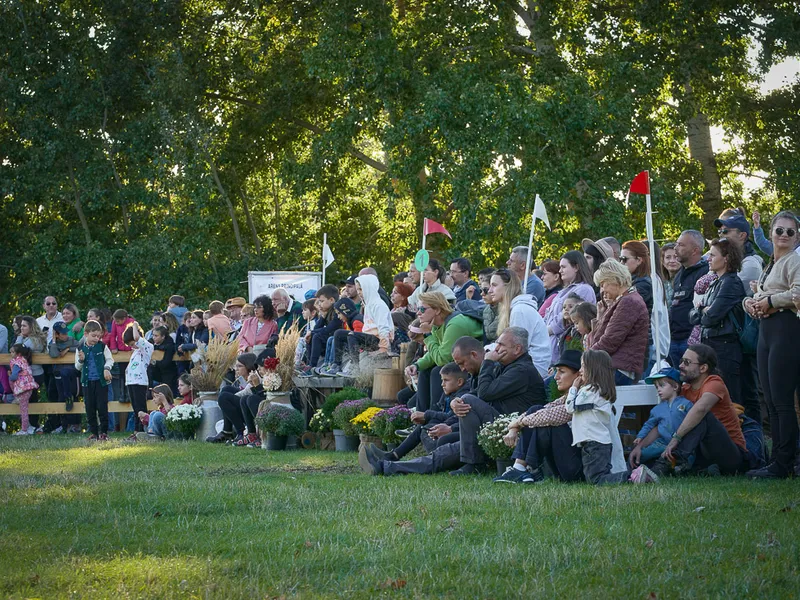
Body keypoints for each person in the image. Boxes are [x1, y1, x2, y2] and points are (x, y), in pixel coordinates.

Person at [744, 211, 800, 478]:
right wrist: (752, 303)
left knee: (783, 401)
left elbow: (798, 294)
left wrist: (770, 302)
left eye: (790, 231)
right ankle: (778, 459)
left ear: (797, 236)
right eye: (780, 230)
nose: (784, 236)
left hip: (786, 329)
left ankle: (784, 461)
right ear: (771, 234)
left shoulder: (794, 260)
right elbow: (762, 293)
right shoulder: (771, 262)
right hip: (766, 330)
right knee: (770, 399)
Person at [450, 327, 545, 475]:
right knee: (445, 441)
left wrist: (487, 363)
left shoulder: (522, 370)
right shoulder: (507, 366)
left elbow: (484, 393)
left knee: (467, 400)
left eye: (501, 345)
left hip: (515, 429)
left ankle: (474, 464)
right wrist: (455, 401)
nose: (496, 349)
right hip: (501, 424)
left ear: (517, 349)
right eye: (497, 344)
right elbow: (479, 392)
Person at [649, 345, 750, 477]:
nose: (680, 366)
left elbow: (700, 409)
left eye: (687, 362)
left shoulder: (714, 382)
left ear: (703, 368)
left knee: (702, 416)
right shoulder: (684, 391)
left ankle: (672, 462)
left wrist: (676, 439)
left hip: (732, 455)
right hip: (703, 452)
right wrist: (640, 445)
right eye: (681, 361)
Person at [359, 361, 471, 474]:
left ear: (460, 382)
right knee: (426, 428)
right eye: (442, 380)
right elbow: (445, 416)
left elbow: (456, 419)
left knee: (437, 452)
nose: (442, 384)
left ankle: (385, 466)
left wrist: (436, 421)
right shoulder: (448, 394)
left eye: (446, 380)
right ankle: (391, 458)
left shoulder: (464, 397)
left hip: (456, 440)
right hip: (453, 436)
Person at [494, 349, 585, 483]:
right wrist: (514, 426)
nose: (555, 377)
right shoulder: (568, 397)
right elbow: (543, 410)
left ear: (578, 375)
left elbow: (555, 414)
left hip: (579, 470)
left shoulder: (582, 396)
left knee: (547, 421)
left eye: (562, 371)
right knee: (537, 410)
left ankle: (525, 469)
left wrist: (518, 423)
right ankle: (525, 469)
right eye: (556, 371)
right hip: (566, 465)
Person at [689, 238, 746, 405]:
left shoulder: (731, 283)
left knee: (730, 401)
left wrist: (703, 310)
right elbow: (693, 316)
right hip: (711, 346)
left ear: (726, 258)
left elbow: (710, 318)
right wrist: (702, 309)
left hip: (726, 348)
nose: (708, 258)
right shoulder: (714, 282)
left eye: (713, 255)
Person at [404, 291, 483, 412]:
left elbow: (442, 359)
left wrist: (427, 335)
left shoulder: (455, 324)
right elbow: (435, 352)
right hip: (458, 361)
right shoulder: (437, 325)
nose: (418, 313)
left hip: (473, 364)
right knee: (425, 370)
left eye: (422, 309)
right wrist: (417, 365)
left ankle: (434, 417)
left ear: (437, 310)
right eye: (417, 308)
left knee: (437, 371)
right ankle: (421, 417)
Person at [566, 349, 632, 484]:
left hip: (593, 442)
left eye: (583, 366)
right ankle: (629, 476)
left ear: (593, 368)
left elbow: (570, 407)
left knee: (596, 479)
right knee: (596, 476)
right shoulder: (600, 391)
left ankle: (631, 477)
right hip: (597, 442)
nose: (580, 370)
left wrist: (573, 388)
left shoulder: (589, 391)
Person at [587, 259, 649, 385]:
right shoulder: (626, 299)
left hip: (619, 369)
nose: (602, 290)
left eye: (603, 284)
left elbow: (610, 340)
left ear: (614, 279)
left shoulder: (629, 302)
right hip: (616, 367)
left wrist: (586, 359)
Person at [489, 269, 550, 377]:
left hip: (534, 370)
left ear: (508, 286)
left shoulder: (519, 311)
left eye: (494, 285)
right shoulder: (515, 309)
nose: (489, 290)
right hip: (524, 367)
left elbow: (514, 349)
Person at [628, 366, 693, 467]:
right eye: (656, 387)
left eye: (662, 385)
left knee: (689, 459)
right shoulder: (657, 409)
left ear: (675, 387)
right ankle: (641, 468)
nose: (658, 390)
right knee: (642, 455)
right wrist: (640, 436)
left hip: (682, 443)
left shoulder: (686, 404)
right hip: (661, 443)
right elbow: (649, 424)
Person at [545, 251, 596, 364]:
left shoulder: (584, 289)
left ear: (576, 267)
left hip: (566, 349)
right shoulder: (562, 291)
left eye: (563, 267)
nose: (560, 270)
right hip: (551, 348)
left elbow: (571, 316)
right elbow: (549, 315)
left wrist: (548, 330)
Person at [669, 230, 709, 367]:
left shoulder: (705, 272)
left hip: (692, 340)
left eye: (681, 245)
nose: (675, 248)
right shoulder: (680, 274)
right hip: (674, 339)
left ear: (695, 250)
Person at [76, 320, 114, 441]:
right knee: (89, 407)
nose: (96, 338)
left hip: (101, 381)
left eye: (98, 336)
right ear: (86, 334)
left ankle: (103, 432)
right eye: (93, 336)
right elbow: (77, 367)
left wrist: (107, 369)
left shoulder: (102, 346)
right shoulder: (80, 348)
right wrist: (81, 360)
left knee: (102, 406)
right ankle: (93, 432)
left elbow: (110, 359)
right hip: (87, 382)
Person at [210, 352, 259, 445]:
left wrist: (223, 403)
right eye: (236, 366)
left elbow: (245, 393)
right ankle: (226, 431)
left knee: (224, 398)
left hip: (251, 409)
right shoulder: (245, 378)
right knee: (226, 389)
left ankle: (241, 432)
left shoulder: (254, 377)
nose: (236, 369)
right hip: (245, 402)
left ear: (248, 366)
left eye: (239, 366)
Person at [714, 211, 763, 295]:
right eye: (720, 231)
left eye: (725, 231)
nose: (721, 235)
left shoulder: (751, 264)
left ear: (742, 235)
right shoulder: (720, 257)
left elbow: (724, 294)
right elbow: (700, 292)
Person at [299, 285, 341, 376]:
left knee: (316, 335)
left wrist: (312, 332)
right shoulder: (327, 311)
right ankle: (309, 364)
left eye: (321, 301)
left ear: (331, 300)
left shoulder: (337, 311)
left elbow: (329, 329)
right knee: (312, 336)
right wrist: (322, 315)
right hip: (328, 340)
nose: (320, 304)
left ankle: (312, 365)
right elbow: (317, 328)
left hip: (335, 341)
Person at [15, 315, 46, 432]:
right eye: (21, 325)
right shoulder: (29, 339)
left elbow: (16, 350)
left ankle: (32, 426)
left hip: (34, 375)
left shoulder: (34, 340)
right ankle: (31, 425)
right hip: (30, 375)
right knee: (29, 400)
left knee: (30, 400)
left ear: (31, 327)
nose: (21, 328)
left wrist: (19, 338)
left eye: (24, 326)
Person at [122, 322, 153, 438]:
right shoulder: (135, 352)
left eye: (132, 344)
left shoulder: (147, 347)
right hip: (131, 382)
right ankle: (136, 431)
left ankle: (142, 430)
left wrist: (134, 326)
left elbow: (136, 338)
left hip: (140, 383)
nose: (132, 346)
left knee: (141, 408)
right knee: (135, 410)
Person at [48, 322, 81, 413]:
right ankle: (65, 424)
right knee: (61, 398)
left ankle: (75, 424)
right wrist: (54, 340)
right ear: (56, 334)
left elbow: (80, 347)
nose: (66, 335)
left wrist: (67, 349)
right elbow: (54, 354)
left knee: (74, 396)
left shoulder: (71, 340)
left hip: (71, 373)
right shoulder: (52, 343)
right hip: (58, 374)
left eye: (66, 333)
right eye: (63, 334)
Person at [9, 344, 38, 435]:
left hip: (23, 389)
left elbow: (14, 376)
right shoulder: (24, 360)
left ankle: (24, 430)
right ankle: (28, 427)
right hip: (28, 387)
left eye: (13, 352)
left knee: (23, 410)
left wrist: (9, 376)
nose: (11, 354)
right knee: (24, 408)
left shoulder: (17, 363)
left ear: (19, 353)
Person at [149, 326, 178, 393]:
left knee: (167, 392)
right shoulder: (152, 342)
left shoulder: (170, 346)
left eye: (156, 336)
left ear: (163, 337)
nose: (154, 337)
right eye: (153, 335)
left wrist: (154, 362)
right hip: (157, 372)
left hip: (168, 373)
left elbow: (166, 363)